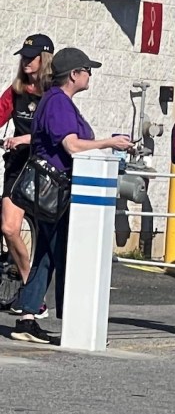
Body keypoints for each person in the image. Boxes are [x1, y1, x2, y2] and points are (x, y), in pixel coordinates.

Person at [10, 48, 134, 344]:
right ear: (74, 74)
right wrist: (109, 143)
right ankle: (76, 324)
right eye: (87, 70)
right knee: (65, 254)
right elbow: (72, 146)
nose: (90, 75)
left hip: (53, 193)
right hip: (55, 192)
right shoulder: (58, 103)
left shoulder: (55, 100)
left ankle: (27, 317)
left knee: (46, 254)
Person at [1, 33, 54, 300]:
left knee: (49, 235)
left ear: (44, 59)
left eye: (32, 57)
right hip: (18, 166)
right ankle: (27, 283)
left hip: (44, 170)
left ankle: (33, 295)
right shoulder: (16, 91)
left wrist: (25, 138)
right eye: (24, 57)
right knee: (9, 228)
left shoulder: (53, 95)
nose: (26, 62)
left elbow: (57, 133)